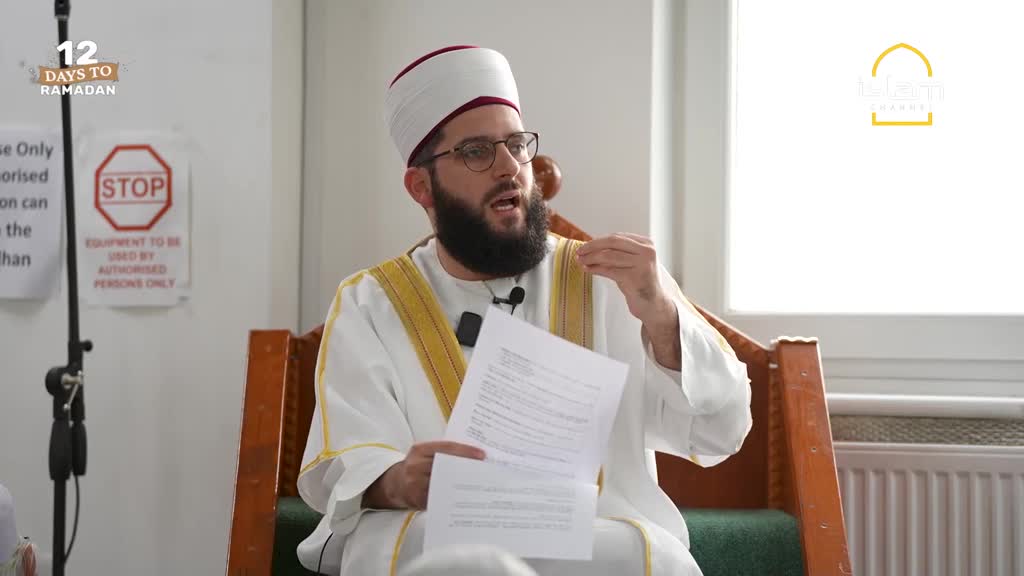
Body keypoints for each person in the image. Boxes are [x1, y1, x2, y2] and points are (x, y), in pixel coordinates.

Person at [296, 45, 752, 575]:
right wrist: (396, 479)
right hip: (438, 533)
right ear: (421, 186)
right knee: (427, 553)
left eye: (516, 145)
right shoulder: (370, 303)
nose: (510, 167)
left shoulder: (612, 281)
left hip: (589, 543)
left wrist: (662, 320)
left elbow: (722, 430)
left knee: (650, 557)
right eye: (475, 151)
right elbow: (345, 460)